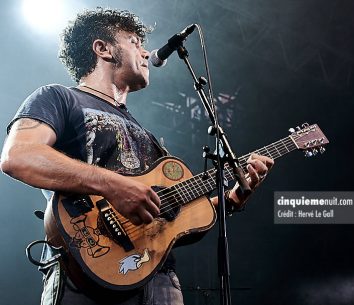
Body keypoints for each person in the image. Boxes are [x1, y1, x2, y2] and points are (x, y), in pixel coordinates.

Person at [0, 8, 273, 305]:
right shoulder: (58, 97)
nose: (146, 53)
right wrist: (113, 186)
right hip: (85, 268)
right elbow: (18, 156)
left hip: (160, 279)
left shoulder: (147, 137)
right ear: (102, 49)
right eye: (134, 42)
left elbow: (175, 219)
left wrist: (231, 199)